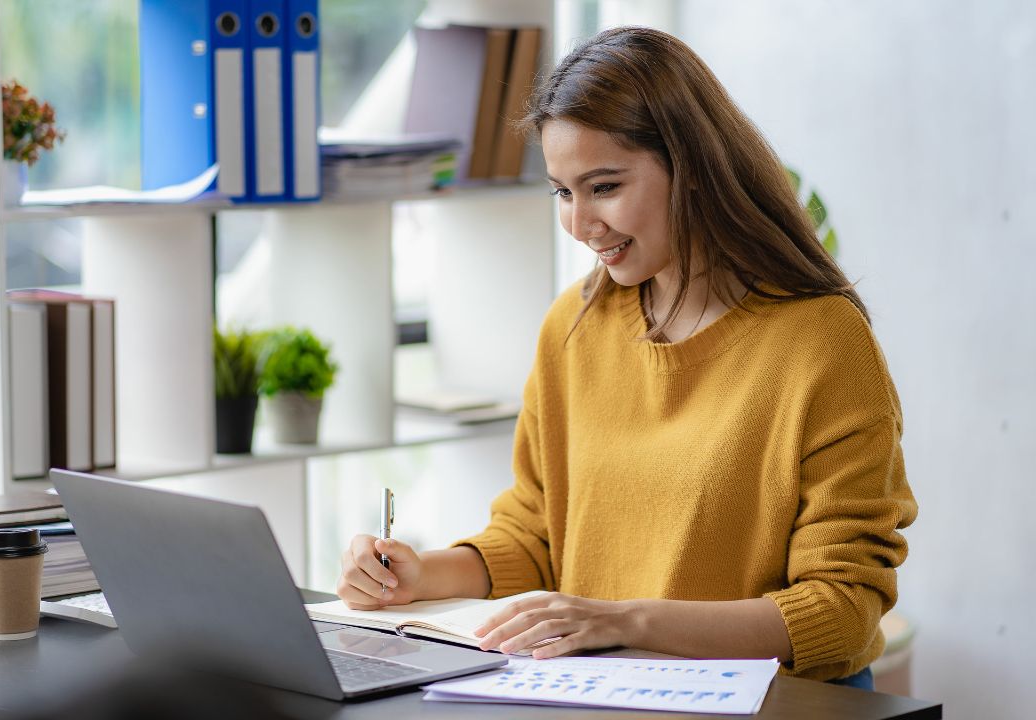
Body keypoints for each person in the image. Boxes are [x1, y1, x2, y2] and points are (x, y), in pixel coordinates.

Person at [337, 26, 917, 689]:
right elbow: (536, 536)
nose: (581, 223)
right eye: (562, 191)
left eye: (604, 186)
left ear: (692, 169)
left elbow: (841, 615)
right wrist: (417, 574)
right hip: (600, 693)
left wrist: (624, 622)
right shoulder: (574, 327)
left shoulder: (820, 342)